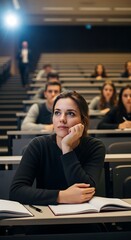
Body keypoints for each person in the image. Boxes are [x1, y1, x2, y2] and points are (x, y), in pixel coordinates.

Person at [9, 91, 105, 205]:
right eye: (57, 113)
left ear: (83, 121)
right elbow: (16, 191)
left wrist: (67, 148)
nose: (62, 119)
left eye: (71, 114)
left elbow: (84, 192)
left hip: (83, 216)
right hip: (46, 215)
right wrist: (61, 196)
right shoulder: (38, 145)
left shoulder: (95, 147)